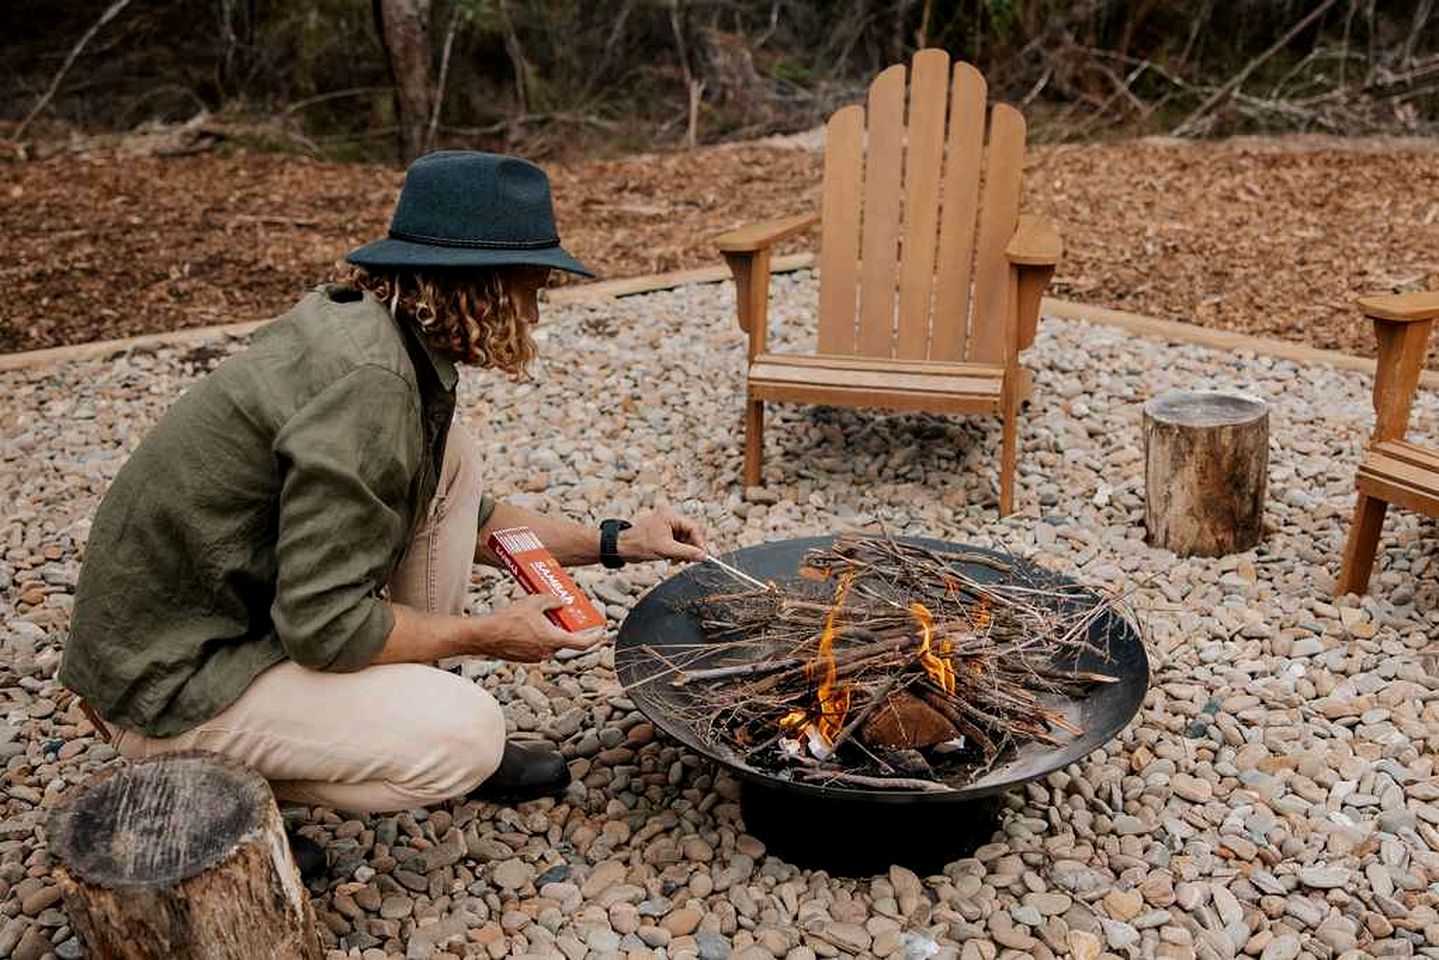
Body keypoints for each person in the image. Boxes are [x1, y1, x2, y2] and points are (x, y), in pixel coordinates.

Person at [61, 151, 707, 821]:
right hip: (169, 682)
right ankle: (203, 787)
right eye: (531, 290)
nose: (535, 316)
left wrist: (619, 541)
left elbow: (470, 517)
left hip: (229, 627)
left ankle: (385, 708)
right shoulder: (372, 389)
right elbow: (325, 627)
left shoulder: (377, 334)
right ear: (482, 288)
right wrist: (486, 633)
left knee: (453, 455)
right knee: (467, 736)